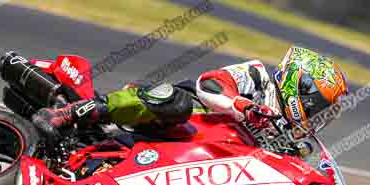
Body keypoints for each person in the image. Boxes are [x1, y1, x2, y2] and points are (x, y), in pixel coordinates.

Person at [32, 46, 349, 143]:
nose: (319, 114)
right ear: (301, 87)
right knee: (179, 104)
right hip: (171, 116)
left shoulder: (288, 134)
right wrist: (244, 106)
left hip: (196, 154)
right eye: (320, 105)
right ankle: (69, 112)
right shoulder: (258, 76)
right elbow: (210, 83)